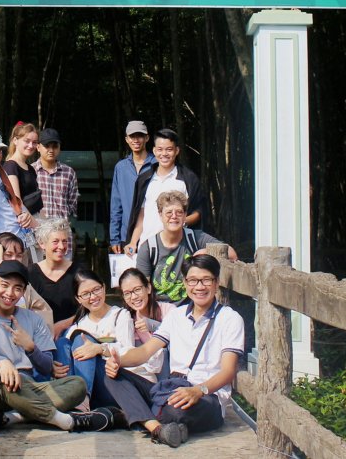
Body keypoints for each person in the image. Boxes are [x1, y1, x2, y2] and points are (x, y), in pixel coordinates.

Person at [0, 259, 118, 434]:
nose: (10, 293)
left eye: (17, 288)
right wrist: (3, 363)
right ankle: (67, 421)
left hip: (28, 388)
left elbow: (46, 366)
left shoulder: (34, 320)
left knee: (78, 384)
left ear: (24, 291)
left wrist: (31, 348)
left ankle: (11, 417)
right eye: (4, 285)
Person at [110, 254, 245, 448]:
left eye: (206, 280)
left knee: (175, 411)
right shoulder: (176, 316)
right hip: (171, 389)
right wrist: (119, 361)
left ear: (217, 283)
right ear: (184, 283)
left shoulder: (230, 319)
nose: (199, 287)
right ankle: (158, 429)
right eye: (192, 280)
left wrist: (198, 390)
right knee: (113, 376)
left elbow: (228, 371)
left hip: (207, 397)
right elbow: (145, 351)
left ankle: (140, 416)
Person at [136, 190, 237, 302]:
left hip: (193, 310)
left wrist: (204, 252)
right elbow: (141, 289)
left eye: (179, 212)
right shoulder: (148, 248)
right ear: (160, 215)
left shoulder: (196, 238)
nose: (174, 216)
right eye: (169, 212)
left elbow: (232, 254)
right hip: (160, 312)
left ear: (185, 215)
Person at [52, 268, 135, 403]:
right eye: (85, 294)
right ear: (78, 299)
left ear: (103, 287)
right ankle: (68, 398)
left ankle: (82, 401)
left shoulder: (120, 315)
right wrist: (54, 366)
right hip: (84, 384)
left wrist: (99, 348)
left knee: (81, 339)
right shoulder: (78, 325)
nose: (93, 297)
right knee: (62, 343)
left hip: (112, 381)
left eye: (96, 289)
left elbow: (128, 350)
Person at [125, 128, 206, 255]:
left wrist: (179, 221)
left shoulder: (188, 179)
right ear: (154, 151)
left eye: (169, 149)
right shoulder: (144, 179)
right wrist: (133, 242)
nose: (164, 154)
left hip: (178, 248)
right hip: (147, 246)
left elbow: (198, 213)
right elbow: (141, 215)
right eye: (160, 149)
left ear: (177, 151)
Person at [0, 232, 53, 331]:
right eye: (8, 255)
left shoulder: (24, 284)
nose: (14, 259)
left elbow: (43, 310)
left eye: (18, 255)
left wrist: (36, 336)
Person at [26, 217, 84, 340]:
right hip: (37, 336)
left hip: (72, 335)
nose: (61, 246)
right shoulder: (30, 274)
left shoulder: (79, 272)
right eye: (55, 241)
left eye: (64, 241)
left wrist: (63, 325)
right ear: (42, 244)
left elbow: (88, 308)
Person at [109, 120, 156, 253]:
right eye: (132, 136)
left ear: (147, 138)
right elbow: (116, 204)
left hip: (154, 231)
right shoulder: (121, 167)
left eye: (140, 135)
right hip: (126, 233)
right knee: (129, 273)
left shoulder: (157, 164)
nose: (136, 140)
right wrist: (114, 238)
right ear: (126, 139)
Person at [33, 128, 79, 220]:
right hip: (37, 230)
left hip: (62, 230)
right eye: (47, 146)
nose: (51, 150)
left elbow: (73, 203)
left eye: (54, 146)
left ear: (59, 148)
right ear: (38, 147)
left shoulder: (69, 172)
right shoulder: (30, 171)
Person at [3, 122, 44, 220]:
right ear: (15, 140)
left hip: (35, 218)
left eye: (34, 142)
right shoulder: (11, 166)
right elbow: (17, 202)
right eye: (27, 141)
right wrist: (35, 224)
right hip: (23, 222)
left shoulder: (30, 168)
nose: (31, 145)